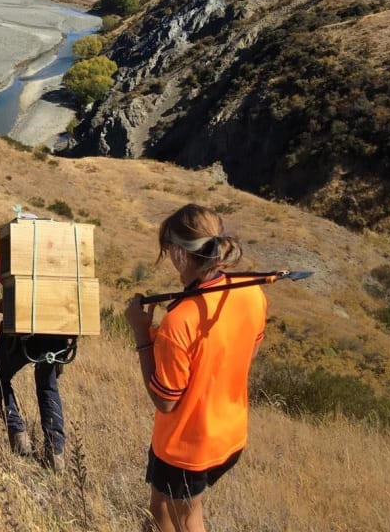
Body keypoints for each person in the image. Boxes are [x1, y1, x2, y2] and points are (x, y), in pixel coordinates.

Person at [123, 203, 267, 532]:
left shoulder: (180, 321)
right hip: (229, 433)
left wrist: (141, 334)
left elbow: (165, 400)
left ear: (179, 254)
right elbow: (249, 351)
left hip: (187, 446)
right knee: (159, 506)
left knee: (187, 519)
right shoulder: (251, 294)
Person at [0, 251, 73, 470]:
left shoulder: (12, 250)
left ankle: (18, 436)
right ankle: (56, 454)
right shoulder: (61, 255)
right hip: (56, 332)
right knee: (48, 386)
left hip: (21, 333)